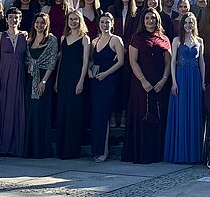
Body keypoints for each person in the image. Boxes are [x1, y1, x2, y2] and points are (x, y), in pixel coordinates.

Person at [124, 8, 171, 164]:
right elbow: (133, 61)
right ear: (143, 21)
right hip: (140, 84)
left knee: (158, 116)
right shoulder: (136, 37)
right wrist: (143, 80)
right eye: (147, 18)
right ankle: (141, 154)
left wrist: (163, 80)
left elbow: (168, 62)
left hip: (159, 84)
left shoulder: (164, 38)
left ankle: (157, 154)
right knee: (141, 116)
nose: (150, 21)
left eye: (153, 18)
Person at [0, 8, 28, 157]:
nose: (13, 20)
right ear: (6, 19)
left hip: (19, 75)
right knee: (3, 107)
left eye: (16, 17)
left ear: (20, 19)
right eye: (10, 17)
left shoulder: (25, 35)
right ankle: (0, 146)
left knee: (17, 108)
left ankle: (16, 147)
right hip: (3, 74)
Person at [164, 13, 204, 163]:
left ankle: (193, 154)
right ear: (182, 24)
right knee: (181, 112)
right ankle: (180, 153)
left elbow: (202, 62)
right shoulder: (176, 40)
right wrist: (174, 82)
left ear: (194, 24)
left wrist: (202, 82)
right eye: (186, 22)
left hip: (194, 78)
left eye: (191, 22)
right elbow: (173, 62)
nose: (188, 25)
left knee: (193, 113)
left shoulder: (199, 41)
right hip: (180, 77)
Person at [88, 12, 125, 162]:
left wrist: (105, 74)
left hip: (109, 80)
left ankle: (104, 150)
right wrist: (90, 71)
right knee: (96, 115)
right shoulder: (94, 41)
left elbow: (121, 62)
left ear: (112, 24)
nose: (105, 25)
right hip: (96, 81)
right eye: (102, 22)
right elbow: (91, 60)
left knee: (104, 115)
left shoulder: (115, 40)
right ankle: (96, 149)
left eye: (107, 22)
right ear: (99, 24)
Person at [55, 9, 91, 159]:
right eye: (71, 19)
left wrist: (81, 81)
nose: (73, 22)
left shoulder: (85, 39)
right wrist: (56, 80)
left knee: (73, 113)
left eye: (76, 19)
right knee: (62, 112)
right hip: (63, 77)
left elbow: (85, 61)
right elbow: (61, 60)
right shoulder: (63, 37)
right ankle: (61, 149)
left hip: (77, 77)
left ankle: (72, 150)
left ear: (80, 21)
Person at [23, 12, 58, 158]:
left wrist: (44, 81)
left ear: (46, 24)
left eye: (42, 23)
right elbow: (25, 60)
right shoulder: (29, 40)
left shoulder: (51, 40)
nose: (39, 25)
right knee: (30, 113)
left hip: (44, 80)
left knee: (40, 113)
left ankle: (41, 149)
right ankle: (29, 148)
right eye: (37, 22)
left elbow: (52, 62)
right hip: (30, 80)